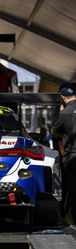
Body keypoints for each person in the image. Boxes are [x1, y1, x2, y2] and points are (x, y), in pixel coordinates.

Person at [51, 83, 76, 224]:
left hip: (72, 158)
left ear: (62, 97)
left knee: (71, 190)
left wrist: (61, 113)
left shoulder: (64, 114)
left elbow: (54, 132)